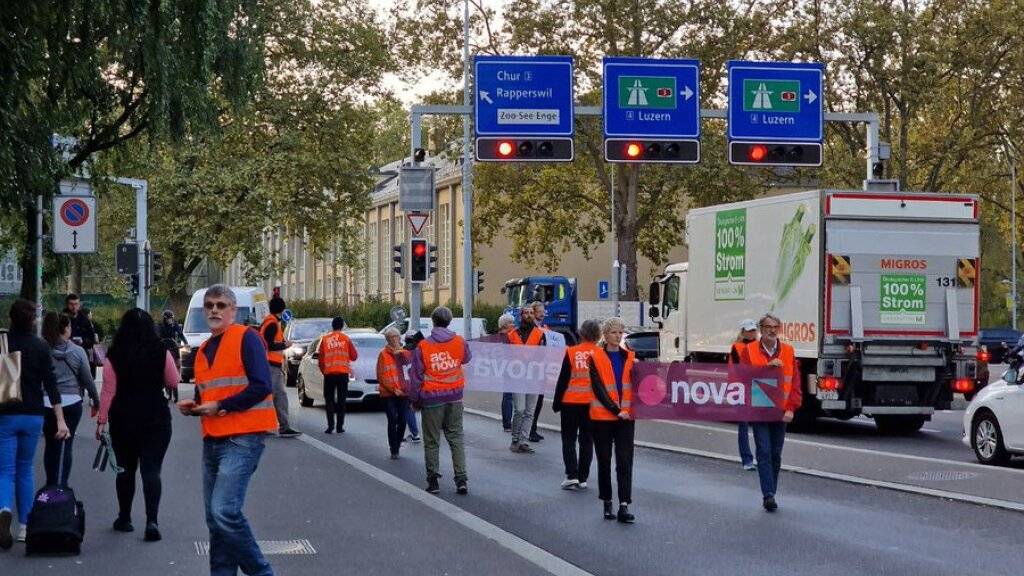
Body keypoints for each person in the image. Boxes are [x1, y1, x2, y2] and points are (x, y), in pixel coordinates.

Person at [177, 284, 277, 576]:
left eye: (221, 305)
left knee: (224, 511)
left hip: (243, 437)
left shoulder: (247, 337)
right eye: (209, 305)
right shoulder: (205, 348)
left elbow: (262, 386)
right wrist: (194, 405)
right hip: (213, 438)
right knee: (215, 521)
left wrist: (220, 405)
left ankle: (262, 572)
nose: (214, 310)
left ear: (234, 310)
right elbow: (207, 393)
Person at [96, 309, 178, 541]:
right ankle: (152, 520)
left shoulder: (114, 355)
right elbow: (172, 380)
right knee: (151, 470)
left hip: (123, 418)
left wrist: (101, 421)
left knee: (126, 470)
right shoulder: (161, 352)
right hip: (156, 417)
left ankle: (125, 518)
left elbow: (108, 391)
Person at [0, 299, 70, 550]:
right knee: (25, 468)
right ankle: (25, 526)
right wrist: (60, 420)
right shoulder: (40, 346)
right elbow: (51, 384)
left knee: (5, 470)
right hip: (33, 414)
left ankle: (4, 507)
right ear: (31, 320)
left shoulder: (3, 344)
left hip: (5, 414)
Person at [739, 313, 802, 512]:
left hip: (780, 410)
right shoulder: (749, 351)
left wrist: (791, 408)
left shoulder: (788, 351)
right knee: (764, 450)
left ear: (779, 329)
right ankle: (768, 495)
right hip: (759, 409)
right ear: (761, 329)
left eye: (775, 327)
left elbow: (796, 383)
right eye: (768, 327)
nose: (772, 330)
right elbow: (742, 378)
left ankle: (771, 489)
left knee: (776, 453)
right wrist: (766, 368)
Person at [410, 306, 472, 495]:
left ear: (433, 321)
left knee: (431, 441)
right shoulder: (459, 342)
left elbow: (416, 377)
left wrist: (414, 399)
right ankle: (461, 479)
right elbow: (467, 358)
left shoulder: (424, 346)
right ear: (450, 321)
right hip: (454, 398)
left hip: (432, 399)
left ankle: (433, 481)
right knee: (456, 438)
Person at [41, 312, 99, 488]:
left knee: (50, 445)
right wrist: (96, 401)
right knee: (67, 445)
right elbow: (88, 380)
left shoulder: (43, 349)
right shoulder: (77, 351)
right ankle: (63, 484)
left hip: (47, 402)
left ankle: (50, 483)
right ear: (65, 328)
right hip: (72, 402)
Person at [589, 316, 636, 524]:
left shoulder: (630, 358)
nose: (617, 336)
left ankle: (624, 505)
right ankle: (607, 501)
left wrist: (627, 411)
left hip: (626, 418)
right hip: (603, 417)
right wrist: (615, 409)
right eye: (614, 332)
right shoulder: (596, 357)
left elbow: (639, 387)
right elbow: (598, 387)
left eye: (620, 332)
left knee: (625, 462)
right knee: (605, 461)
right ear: (605, 335)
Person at [552, 319, 600, 491]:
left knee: (568, 439)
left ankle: (571, 474)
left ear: (581, 333)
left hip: (570, 402)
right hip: (592, 404)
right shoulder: (601, 354)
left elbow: (563, 380)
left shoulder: (572, 352)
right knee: (587, 440)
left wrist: (556, 403)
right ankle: (583, 477)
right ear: (598, 335)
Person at [260, 296, 300, 437]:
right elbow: (269, 345)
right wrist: (285, 345)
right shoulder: (272, 324)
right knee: (279, 396)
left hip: (269, 364)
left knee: (270, 396)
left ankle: (266, 426)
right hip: (271, 365)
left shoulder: (269, 322)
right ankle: (283, 427)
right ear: (281, 310)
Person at [508, 304, 545, 453]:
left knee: (529, 411)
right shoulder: (512, 334)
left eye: (531, 313)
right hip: (517, 375)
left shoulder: (540, 334)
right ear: (521, 315)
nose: (529, 315)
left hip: (533, 375)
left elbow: (544, 354)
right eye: (526, 313)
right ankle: (515, 439)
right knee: (520, 409)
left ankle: (523, 441)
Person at [317, 317, 358, 434]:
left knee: (329, 400)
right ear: (342, 326)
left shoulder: (325, 339)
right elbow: (354, 356)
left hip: (329, 374)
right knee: (342, 400)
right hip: (343, 374)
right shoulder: (346, 339)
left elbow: (321, 359)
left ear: (332, 326)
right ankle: (340, 427)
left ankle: (330, 426)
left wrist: (324, 371)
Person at [730, 319, 759, 471]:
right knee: (744, 424)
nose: (752, 333)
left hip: (756, 389)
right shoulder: (737, 347)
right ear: (742, 332)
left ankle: (760, 458)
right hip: (740, 389)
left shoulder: (759, 347)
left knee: (760, 425)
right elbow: (738, 370)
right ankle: (747, 459)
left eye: (753, 330)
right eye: (749, 330)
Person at [378, 328, 410, 458]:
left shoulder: (406, 352)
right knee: (392, 419)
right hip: (389, 393)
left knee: (402, 420)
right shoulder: (383, 354)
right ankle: (394, 449)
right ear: (387, 339)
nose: (395, 339)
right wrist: (393, 389)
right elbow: (381, 375)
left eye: (397, 336)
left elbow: (410, 371)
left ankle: (398, 442)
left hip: (403, 393)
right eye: (392, 337)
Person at [64, 294, 98, 378]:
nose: (74, 307)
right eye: (71, 304)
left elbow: (92, 338)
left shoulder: (84, 320)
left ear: (79, 305)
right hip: (65, 356)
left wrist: (83, 341)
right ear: (67, 305)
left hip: (82, 354)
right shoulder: (61, 319)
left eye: (76, 304)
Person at [529, 301, 548, 443]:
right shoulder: (531, 328)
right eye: (540, 311)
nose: (542, 313)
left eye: (543, 311)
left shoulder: (544, 327)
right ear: (534, 312)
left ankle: (533, 428)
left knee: (539, 400)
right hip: (532, 369)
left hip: (543, 367)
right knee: (532, 402)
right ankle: (530, 430)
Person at [159, 310, 187, 403]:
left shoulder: (174, 326)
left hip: (173, 347)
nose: (170, 320)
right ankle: (165, 389)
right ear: (164, 319)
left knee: (176, 365)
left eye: (171, 318)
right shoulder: (160, 326)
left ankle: (178, 378)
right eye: (169, 319)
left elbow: (180, 334)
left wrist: (186, 343)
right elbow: (156, 337)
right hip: (163, 348)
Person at [496, 314, 517, 433]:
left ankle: (508, 422)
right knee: (509, 396)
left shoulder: (502, 337)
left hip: (509, 368)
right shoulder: (505, 338)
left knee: (509, 396)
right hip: (509, 369)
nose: (513, 325)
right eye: (511, 323)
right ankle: (507, 423)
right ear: (505, 325)